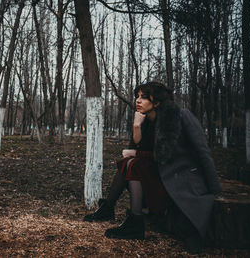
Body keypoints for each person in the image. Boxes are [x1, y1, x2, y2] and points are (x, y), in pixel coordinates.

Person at [83, 81, 222, 253]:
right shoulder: (144, 121)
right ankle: (122, 215)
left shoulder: (179, 116)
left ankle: (128, 218)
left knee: (132, 163)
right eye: (137, 97)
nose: (138, 101)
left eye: (144, 97)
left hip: (178, 179)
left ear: (156, 102)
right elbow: (137, 149)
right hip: (158, 176)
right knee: (129, 163)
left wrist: (214, 186)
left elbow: (201, 151)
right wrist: (136, 126)